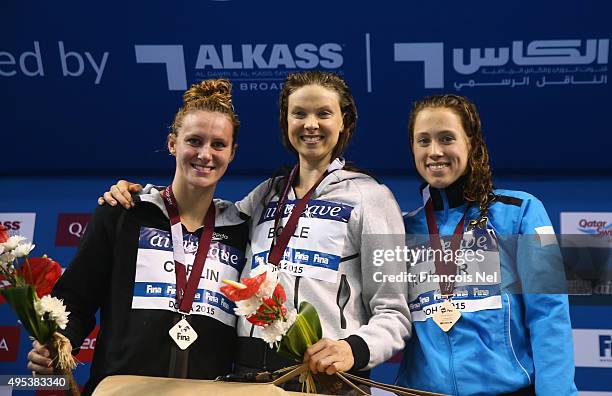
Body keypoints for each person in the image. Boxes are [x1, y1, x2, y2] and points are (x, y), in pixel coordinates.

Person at [99, 71, 412, 394]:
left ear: (344, 121)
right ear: (285, 120)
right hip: (251, 378)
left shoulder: (373, 198)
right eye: (299, 113)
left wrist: (352, 349)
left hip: (324, 378)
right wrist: (143, 197)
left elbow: (394, 313)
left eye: (323, 113)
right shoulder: (265, 196)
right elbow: (199, 213)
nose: (310, 124)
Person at [27, 79, 249, 395]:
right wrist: (56, 345)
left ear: (232, 153)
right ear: (173, 143)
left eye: (218, 144)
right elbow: (76, 298)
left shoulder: (240, 229)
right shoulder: (125, 212)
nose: (205, 154)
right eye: (194, 141)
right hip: (122, 389)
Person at [396, 94, 577, 395]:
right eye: (423, 141)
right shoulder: (402, 228)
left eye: (447, 138)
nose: (435, 151)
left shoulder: (520, 212)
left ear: (471, 143)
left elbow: (548, 314)